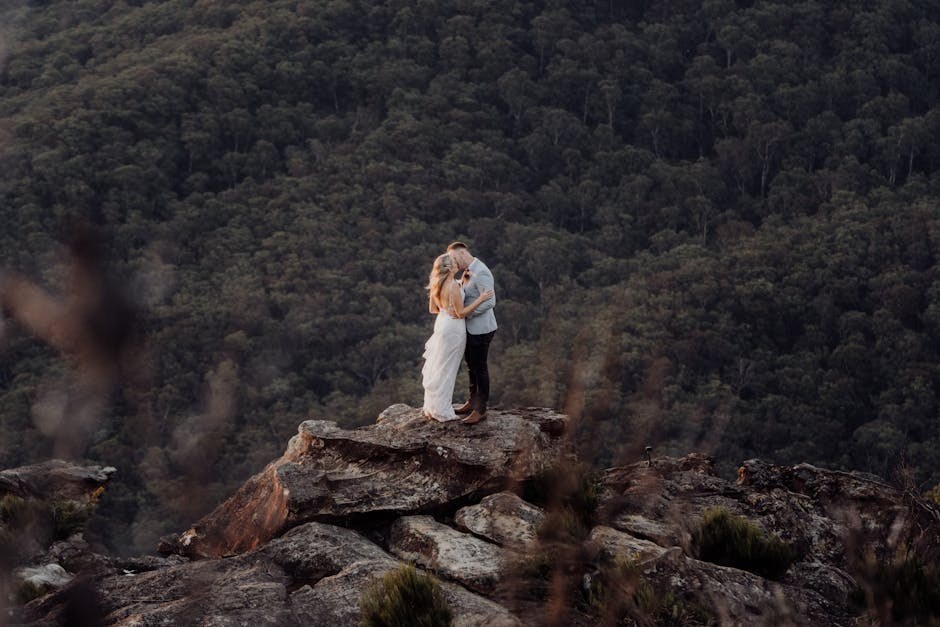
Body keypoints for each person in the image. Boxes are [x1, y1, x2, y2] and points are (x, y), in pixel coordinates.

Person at [422, 252, 494, 422]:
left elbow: (433, 309)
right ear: (450, 267)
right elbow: (461, 313)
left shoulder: (436, 284)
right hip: (454, 328)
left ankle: (434, 406)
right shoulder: (453, 286)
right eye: (454, 261)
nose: (457, 263)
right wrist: (481, 299)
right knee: (448, 368)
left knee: (440, 365)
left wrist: (447, 309)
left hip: (442, 324)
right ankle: (443, 409)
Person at [446, 242, 497, 425]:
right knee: (471, 366)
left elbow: (490, 302)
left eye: (453, 258)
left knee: (480, 368)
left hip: (481, 329)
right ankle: (471, 400)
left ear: (461, 253)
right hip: (469, 328)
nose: (453, 263)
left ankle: (480, 409)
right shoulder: (467, 272)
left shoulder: (482, 271)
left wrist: (467, 313)